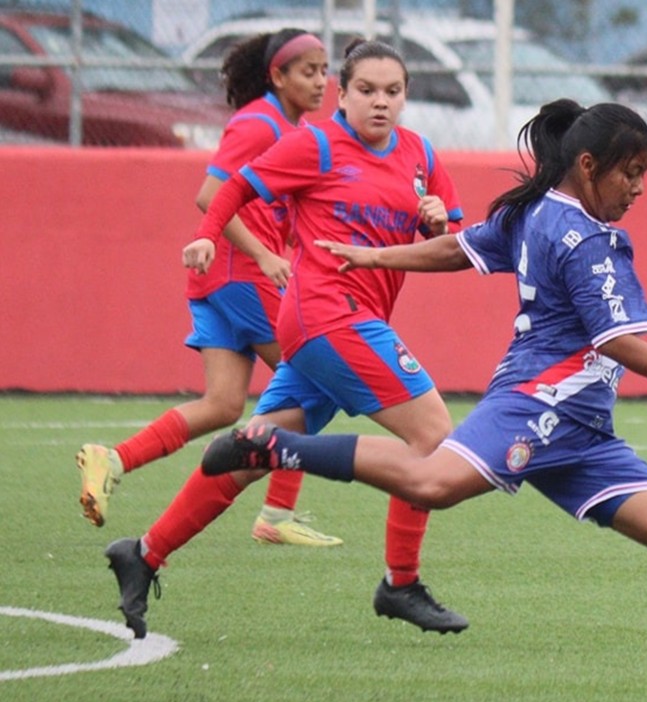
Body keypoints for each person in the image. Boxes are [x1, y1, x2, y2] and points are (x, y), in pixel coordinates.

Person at [201, 99, 647, 702]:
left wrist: (375, 254)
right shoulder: (587, 241)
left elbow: (460, 247)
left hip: (584, 430)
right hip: (539, 405)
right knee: (433, 482)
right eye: (631, 173)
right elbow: (616, 339)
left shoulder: (537, 209)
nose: (639, 188)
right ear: (589, 166)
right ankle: (276, 446)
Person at [104, 38, 468, 639]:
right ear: (342, 95)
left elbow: (453, 233)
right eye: (366, 90)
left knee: (248, 452)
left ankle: (144, 552)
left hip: (337, 325)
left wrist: (439, 217)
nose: (381, 103)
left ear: (406, 98)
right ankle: (400, 584)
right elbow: (233, 188)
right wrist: (204, 235)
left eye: (394, 92)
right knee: (433, 440)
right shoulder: (315, 144)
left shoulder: (420, 154)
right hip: (329, 316)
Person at [76, 28, 339, 546]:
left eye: (324, 71)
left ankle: (113, 459)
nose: (321, 81)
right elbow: (211, 194)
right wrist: (265, 253)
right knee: (315, 376)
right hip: (242, 275)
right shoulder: (259, 123)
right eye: (309, 71)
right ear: (277, 76)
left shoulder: (292, 127)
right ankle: (278, 512)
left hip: (224, 279)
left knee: (222, 405)